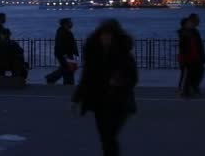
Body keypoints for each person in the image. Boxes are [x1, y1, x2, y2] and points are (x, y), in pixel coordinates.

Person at [72, 19, 138, 156]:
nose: (106, 38)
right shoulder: (93, 54)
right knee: (105, 136)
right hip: (99, 101)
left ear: (115, 37)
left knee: (109, 135)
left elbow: (133, 78)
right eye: (103, 35)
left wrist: (120, 82)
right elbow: (86, 78)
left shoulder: (124, 56)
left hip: (120, 100)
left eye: (109, 36)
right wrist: (76, 98)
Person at [45, 18, 79, 85]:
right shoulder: (63, 32)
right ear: (65, 24)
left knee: (67, 68)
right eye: (70, 22)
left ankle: (67, 82)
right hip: (65, 54)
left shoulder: (65, 31)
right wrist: (65, 55)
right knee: (67, 68)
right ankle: (53, 78)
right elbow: (62, 45)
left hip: (66, 53)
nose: (72, 24)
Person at [187, 13, 205, 96]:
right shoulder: (192, 31)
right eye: (197, 20)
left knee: (196, 72)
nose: (199, 21)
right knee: (197, 72)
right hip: (194, 56)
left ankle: (192, 88)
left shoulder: (192, 31)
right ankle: (193, 88)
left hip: (195, 55)